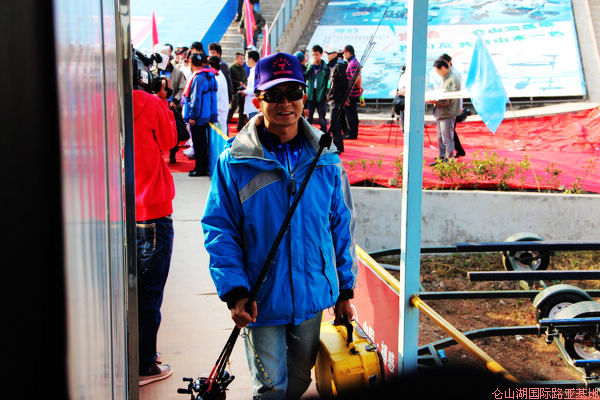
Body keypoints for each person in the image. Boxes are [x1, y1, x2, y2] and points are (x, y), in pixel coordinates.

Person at [202, 52, 357, 400]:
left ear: (304, 96)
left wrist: (345, 290)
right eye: (273, 95)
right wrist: (235, 291)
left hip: (311, 296)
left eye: (293, 93)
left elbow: (341, 226)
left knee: (299, 380)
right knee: (270, 389)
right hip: (261, 300)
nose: (285, 103)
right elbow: (219, 229)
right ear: (258, 99)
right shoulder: (234, 162)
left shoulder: (328, 159)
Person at [132, 75, 177, 386]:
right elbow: (170, 141)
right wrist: (164, 102)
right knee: (150, 293)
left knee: (130, 290)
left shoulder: (102, 102)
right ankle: (145, 363)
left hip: (121, 211)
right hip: (153, 210)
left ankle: (136, 351)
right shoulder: (151, 103)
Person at [183, 53, 218, 176]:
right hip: (208, 114)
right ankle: (204, 166)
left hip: (198, 117)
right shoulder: (211, 75)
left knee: (199, 144)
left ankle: (200, 168)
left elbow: (195, 99)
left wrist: (192, 116)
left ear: (192, 64)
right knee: (205, 143)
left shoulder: (198, 78)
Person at [155, 45, 188, 164]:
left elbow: (182, 89)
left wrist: (175, 100)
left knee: (174, 130)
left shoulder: (178, 72)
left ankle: (173, 152)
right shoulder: (153, 72)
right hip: (156, 106)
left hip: (172, 106)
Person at [428, 59, 461, 165]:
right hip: (440, 112)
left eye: (437, 71)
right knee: (441, 137)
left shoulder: (453, 79)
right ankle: (442, 157)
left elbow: (451, 98)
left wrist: (436, 101)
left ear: (443, 68)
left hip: (447, 112)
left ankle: (449, 159)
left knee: (447, 138)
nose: (437, 73)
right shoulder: (444, 78)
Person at [438, 53, 466, 157]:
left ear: (449, 62)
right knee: (449, 131)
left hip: (452, 105)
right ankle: (458, 151)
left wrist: (460, 107)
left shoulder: (454, 74)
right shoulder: (447, 74)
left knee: (449, 131)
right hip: (447, 106)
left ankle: (452, 153)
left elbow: (456, 92)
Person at [325, 46, 348, 152]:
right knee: (335, 123)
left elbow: (344, 84)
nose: (327, 56)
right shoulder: (331, 66)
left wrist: (345, 98)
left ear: (335, 54)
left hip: (337, 99)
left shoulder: (339, 66)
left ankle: (337, 146)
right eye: (327, 54)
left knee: (334, 123)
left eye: (329, 54)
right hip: (333, 99)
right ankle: (337, 146)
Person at [304, 45, 329, 133]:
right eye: (313, 55)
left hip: (321, 95)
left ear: (321, 54)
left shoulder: (325, 68)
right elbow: (305, 76)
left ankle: (324, 134)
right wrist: (310, 66)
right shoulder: (309, 66)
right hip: (310, 94)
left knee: (322, 117)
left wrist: (325, 94)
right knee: (309, 118)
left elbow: (327, 82)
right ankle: (308, 134)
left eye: (316, 54)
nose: (314, 57)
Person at [342, 45, 362, 140]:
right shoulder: (352, 62)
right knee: (350, 114)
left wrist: (359, 88)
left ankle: (352, 134)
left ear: (348, 52)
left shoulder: (353, 63)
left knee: (351, 115)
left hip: (352, 93)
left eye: (344, 53)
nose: (343, 55)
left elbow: (357, 78)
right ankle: (351, 132)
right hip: (352, 92)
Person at [209, 55, 230, 136]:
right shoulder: (219, 75)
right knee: (222, 131)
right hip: (222, 107)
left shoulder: (217, 77)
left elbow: (217, 95)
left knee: (220, 133)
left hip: (219, 109)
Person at [228, 52, 248, 132]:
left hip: (242, 92)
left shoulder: (243, 70)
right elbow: (229, 80)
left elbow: (245, 80)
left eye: (243, 59)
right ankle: (227, 121)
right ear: (236, 59)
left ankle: (240, 127)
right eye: (240, 59)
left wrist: (244, 85)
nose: (242, 60)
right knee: (233, 108)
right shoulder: (231, 68)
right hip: (234, 91)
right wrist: (238, 83)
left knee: (242, 110)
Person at [240, 49, 260, 120]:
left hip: (254, 107)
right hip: (252, 106)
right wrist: (247, 88)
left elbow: (256, 90)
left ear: (251, 59)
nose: (245, 61)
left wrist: (245, 91)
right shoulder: (254, 71)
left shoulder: (256, 72)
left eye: (246, 59)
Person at [394, 65, 407, 131]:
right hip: (402, 99)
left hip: (409, 98)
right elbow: (399, 87)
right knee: (402, 114)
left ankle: (405, 129)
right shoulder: (402, 76)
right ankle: (403, 129)